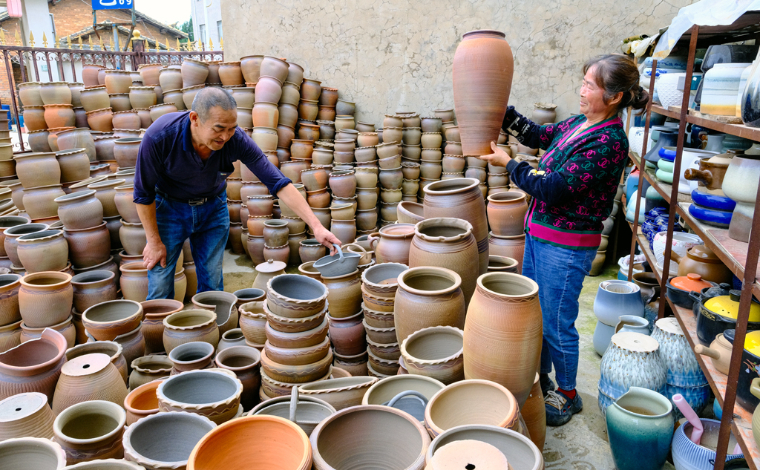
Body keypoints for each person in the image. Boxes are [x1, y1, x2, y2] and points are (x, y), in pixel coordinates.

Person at [480, 54, 648, 426]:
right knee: (535, 313)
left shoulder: (609, 142)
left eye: (590, 85)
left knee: (557, 321)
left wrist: (509, 164)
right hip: (540, 235)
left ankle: (568, 394)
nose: (582, 91)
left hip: (567, 246)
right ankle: (541, 379)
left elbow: (552, 188)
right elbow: (538, 135)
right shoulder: (577, 124)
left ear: (615, 97)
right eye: (583, 82)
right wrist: (499, 109)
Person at [134, 87, 341, 299]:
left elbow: (277, 182)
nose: (225, 136)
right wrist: (154, 241)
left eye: (232, 128)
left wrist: (316, 226)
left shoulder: (236, 139)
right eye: (219, 129)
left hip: (213, 207)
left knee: (212, 285)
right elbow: (142, 194)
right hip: (169, 209)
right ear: (195, 119)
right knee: (160, 285)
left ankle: (211, 319)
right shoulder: (160, 137)